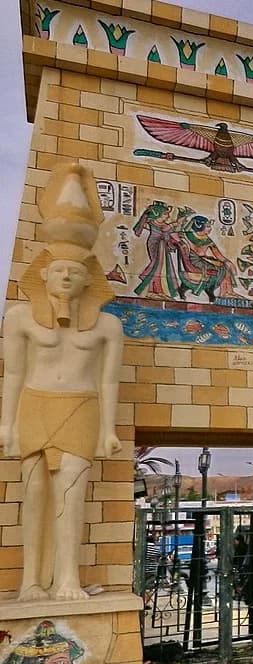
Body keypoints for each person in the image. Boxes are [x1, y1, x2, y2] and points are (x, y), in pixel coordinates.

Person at [0, 162, 124, 602]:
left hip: (82, 406)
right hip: (34, 404)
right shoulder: (19, 318)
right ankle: (30, 580)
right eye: (59, 270)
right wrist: (7, 425)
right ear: (44, 275)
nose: (67, 276)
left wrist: (109, 429)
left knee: (72, 493)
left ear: (90, 279)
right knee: (33, 494)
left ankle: (68, 577)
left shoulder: (108, 326)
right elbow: (13, 374)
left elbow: (109, 384)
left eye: (75, 271)